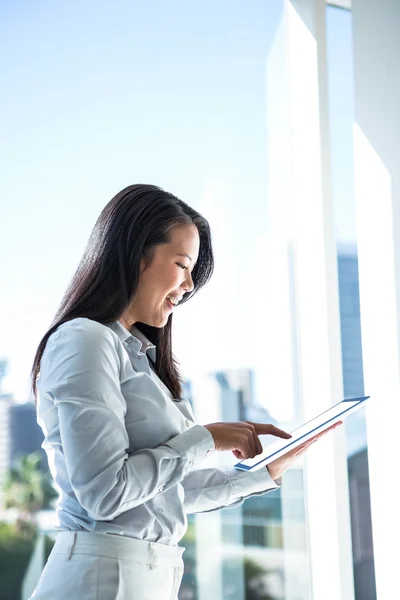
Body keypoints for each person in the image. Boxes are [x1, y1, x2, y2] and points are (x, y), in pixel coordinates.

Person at [29, 184, 340, 600]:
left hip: (146, 577)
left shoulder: (138, 355)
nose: (190, 284)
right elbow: (106, 494)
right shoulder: (85, 339)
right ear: (137, 254)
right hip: (99, 580)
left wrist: (265, 473)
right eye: (182, 264)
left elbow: (162, 494)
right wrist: (206, 439)